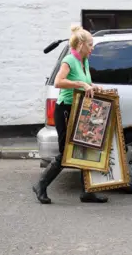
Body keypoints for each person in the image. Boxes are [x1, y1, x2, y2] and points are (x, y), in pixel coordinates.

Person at [32, 25, 109, 204]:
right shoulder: (69, 59)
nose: (93, 48)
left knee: (85, 147)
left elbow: (84, 81)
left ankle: (87, 192)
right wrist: (82, 85)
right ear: (81, 44)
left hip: (79, 109)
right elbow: (59, 82)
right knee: (67, 152)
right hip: (65, 110)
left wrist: (93, 86)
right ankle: (40, 185)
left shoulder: (84, 60)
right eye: (90, 44)